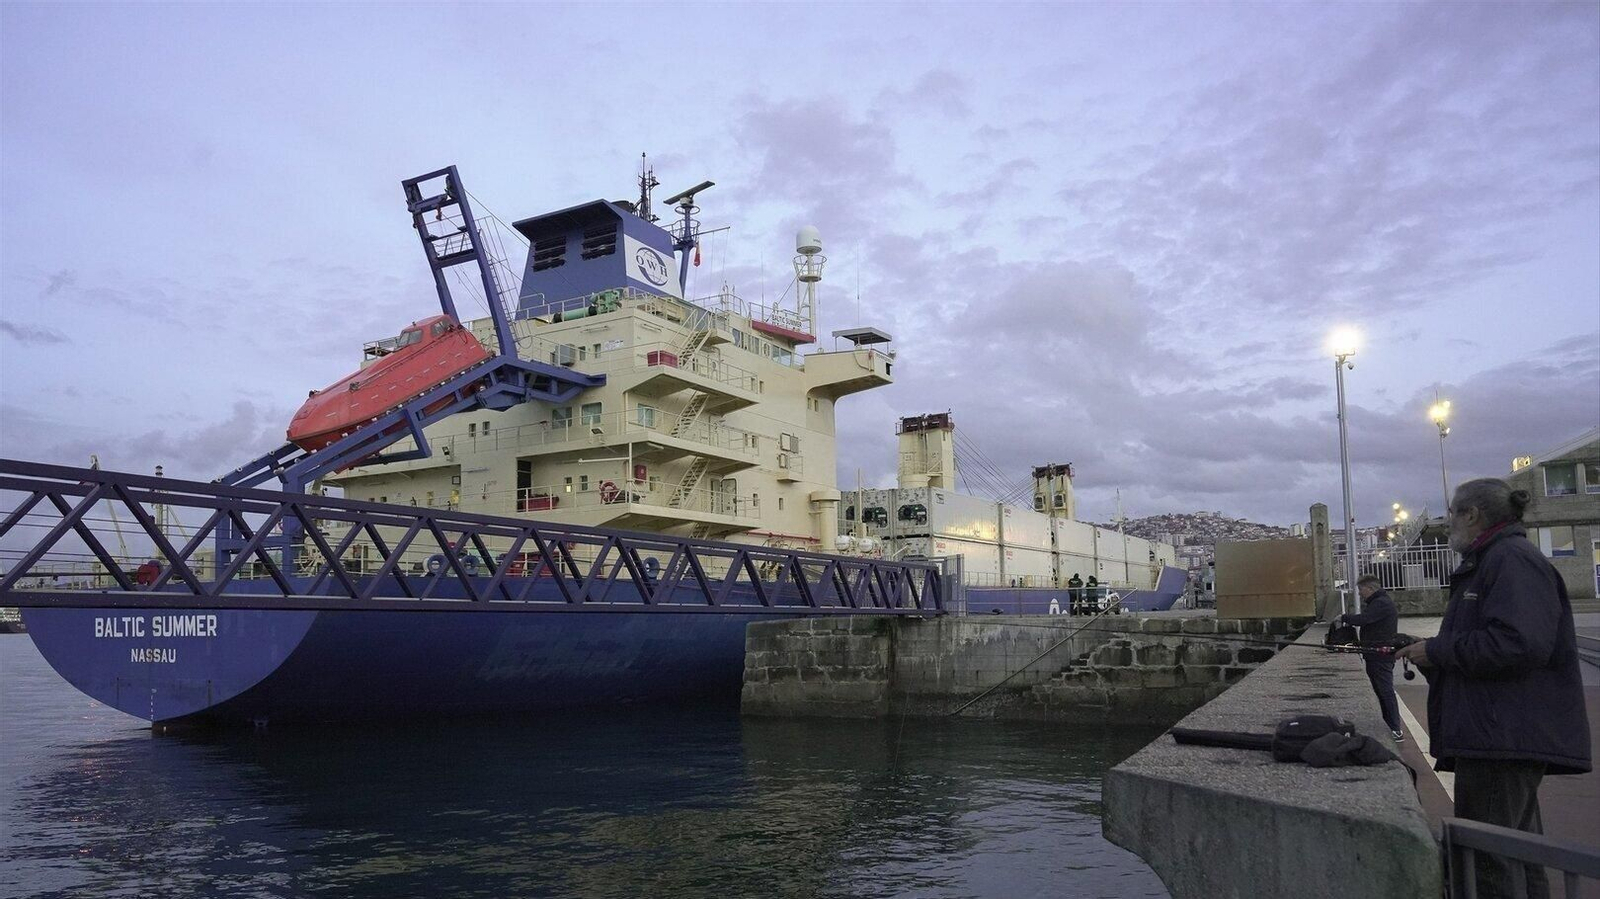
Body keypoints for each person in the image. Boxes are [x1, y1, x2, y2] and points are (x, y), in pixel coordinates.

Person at [1397, 478, 1590, 899]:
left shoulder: (1510, 561)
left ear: (1472, 515)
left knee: (1487, 859)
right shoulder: (1496, 560)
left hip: (1501, 736)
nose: (1448, 523)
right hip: (1499, 732)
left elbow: (1519, 643)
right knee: (1518, 852)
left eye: (1452, 513)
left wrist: (1440, 651)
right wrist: (1431, 654)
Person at [1336, 574, 1402, 742]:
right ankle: (1390, 725)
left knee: (1385, 690)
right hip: (1376, 652)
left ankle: (1395, 728)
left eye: (1361, 590)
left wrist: (1343, 618)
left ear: (1371, 588)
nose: (1359, 594)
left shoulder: (1381, 604)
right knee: (1381, 690)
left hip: (1380, 654)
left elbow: (1364, 619)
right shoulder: (1380, 602)